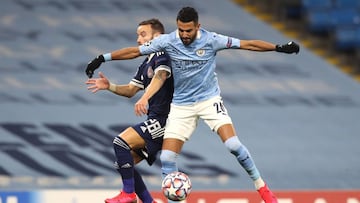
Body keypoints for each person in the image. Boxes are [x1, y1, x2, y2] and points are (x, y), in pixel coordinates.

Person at [86, 7, 300, 203]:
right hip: (181, 106)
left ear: (198, 26)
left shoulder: (212, 39)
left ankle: (262, 188)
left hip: (209, 101)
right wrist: (102, 58)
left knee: (233, 146)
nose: (185, 35)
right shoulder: (168, 41)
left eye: (189, 30)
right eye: (181, 30)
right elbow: (134, 52)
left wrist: (278, 48)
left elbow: (247, 44)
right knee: (168, 158)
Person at [86, 18, 173, 203]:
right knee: (124, 164)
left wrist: (145, 98)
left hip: (167, 119)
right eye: (137, 35)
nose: (138, 39)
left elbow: (160, 76)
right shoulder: (146, 62)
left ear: (157, 36)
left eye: (143, 34)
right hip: (156, 118)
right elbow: (131, 90)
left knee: (120, 142)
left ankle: (128, 194)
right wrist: (109, 86)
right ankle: (147, 201)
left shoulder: (163, 53)